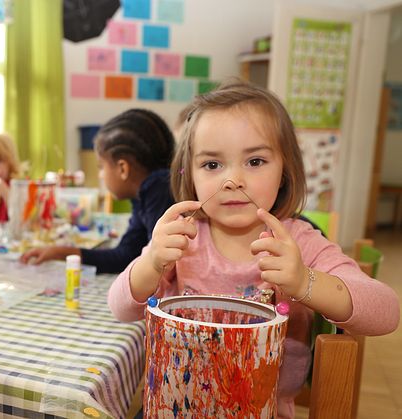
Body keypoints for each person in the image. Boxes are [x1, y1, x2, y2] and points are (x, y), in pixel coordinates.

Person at [107, 80, 399, 418]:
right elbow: (120, 308)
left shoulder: (299, 243)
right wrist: (153, 261)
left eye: (256, 161)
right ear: (190, 175)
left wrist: (304, 282)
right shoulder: (182, 239)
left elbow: (387, 312)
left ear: (285, 170)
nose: (233, 180)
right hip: (174, 406)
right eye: (212, 165)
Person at [20, 109, 175, 273]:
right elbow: (124, 256)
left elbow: (162, 266)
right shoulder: (145, 195)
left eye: (101, 167)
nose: (100, 175)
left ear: (123, 168)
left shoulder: (159, 188)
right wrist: (61, 252)